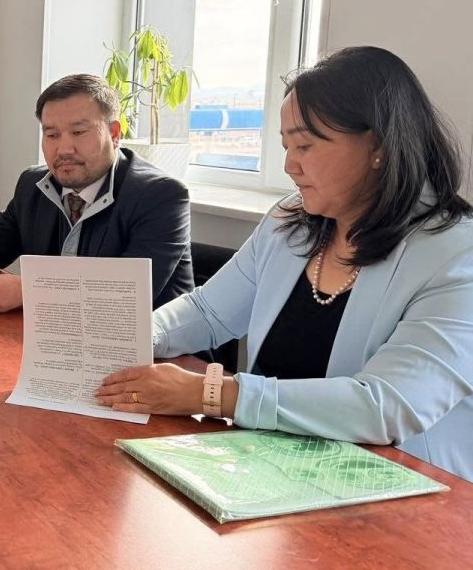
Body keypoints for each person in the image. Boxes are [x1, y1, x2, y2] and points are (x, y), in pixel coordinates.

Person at [96, 46, 473, 481]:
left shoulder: (456, 255)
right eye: (286, 146)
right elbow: (207, 311)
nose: (290, 165)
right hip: (274, 470)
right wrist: (139, 336)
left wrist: (210, 393)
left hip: (405, 490)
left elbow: (385, 407)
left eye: (305, 146)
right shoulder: (289, 222)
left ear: (378, 147)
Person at [0, 73, 193, 312]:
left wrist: (29, 291)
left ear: (113, 133)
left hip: (153, 349)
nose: (64, 149)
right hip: (56, 340)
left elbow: (126, 294)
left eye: (79, 132)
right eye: (52, 135)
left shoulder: (162, 196)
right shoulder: (33, 184)